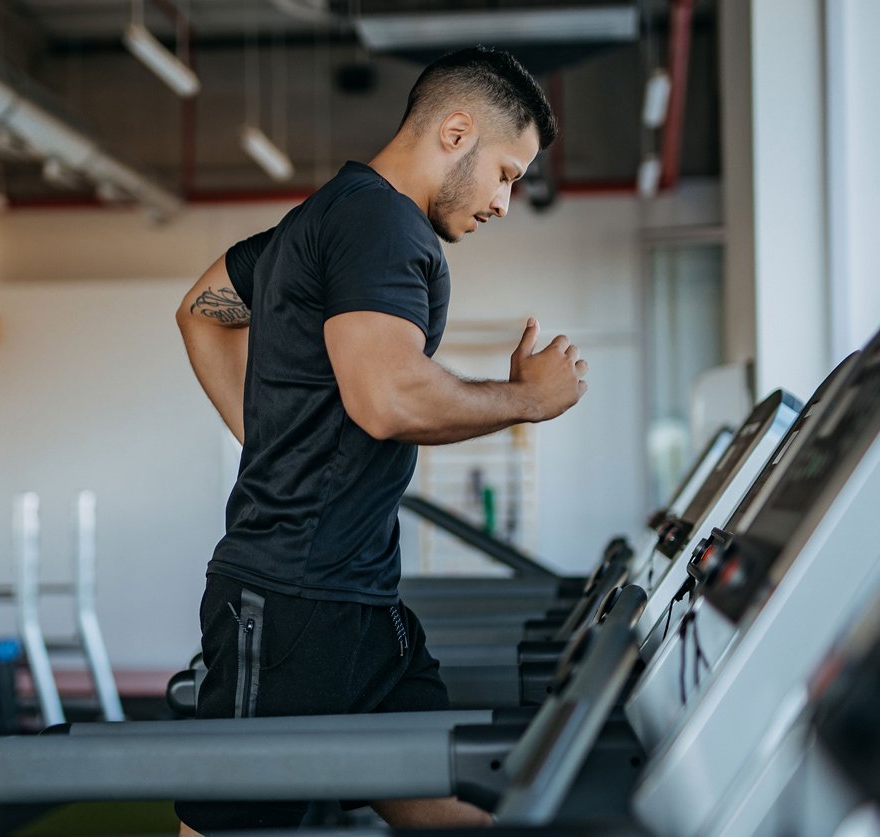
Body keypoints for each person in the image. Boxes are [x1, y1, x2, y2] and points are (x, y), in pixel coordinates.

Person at [174, 45, 587, 833]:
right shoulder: (384, 227)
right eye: (506, 172)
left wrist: (270, 435)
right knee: (233, 825)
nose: (506, 202)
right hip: (295, 599)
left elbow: (202, 308)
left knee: (447, 800)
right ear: (456, 132)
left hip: (361, 600)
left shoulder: (327, 216)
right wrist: (528, 399)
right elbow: (388, 396)